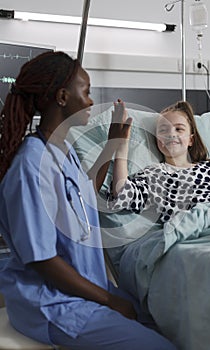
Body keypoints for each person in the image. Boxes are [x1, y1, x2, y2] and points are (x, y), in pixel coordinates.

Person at [0, 51, 177, 350]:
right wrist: (110, 301)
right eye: (86, 92)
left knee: (165, 325)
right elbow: (43, 261)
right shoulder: (30, 165)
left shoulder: (61, 149)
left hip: (87, 287)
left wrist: (113, 144)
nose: (91, 102)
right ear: (62, 97)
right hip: (54, 302)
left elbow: (84, 192)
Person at [108, 100, 210, 223]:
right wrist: (122, 146)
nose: (171, 134)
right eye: (163, 130)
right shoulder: (154, 175)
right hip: (199, 226)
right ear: (157, 140)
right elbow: (122, 193)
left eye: (179, 129)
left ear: (191, 140)